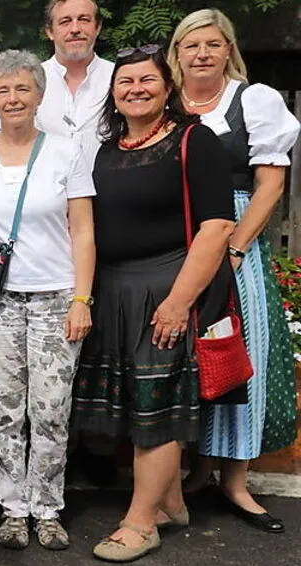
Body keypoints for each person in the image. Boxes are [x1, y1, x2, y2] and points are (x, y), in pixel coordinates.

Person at [71, 45, 237, 563]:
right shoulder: (104, 150)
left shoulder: (195, 140)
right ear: (113, 94)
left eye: (147, 80)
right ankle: (169, 502)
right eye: (125, 82)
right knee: (136, 402)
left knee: (157, 405)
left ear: (168, 88)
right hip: (115, 288)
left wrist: (177, 302)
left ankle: (141, 524)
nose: (136, 89)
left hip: (169, 285)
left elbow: (216, 228)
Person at [0, 50, 96, 550]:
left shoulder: (66, 152)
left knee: (52, 409)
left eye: (22, 89)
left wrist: (82, 297)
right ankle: (13, 507)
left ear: (40, 95)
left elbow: (82, 230)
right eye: (3, 90)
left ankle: (48, 507)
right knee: (5, 410)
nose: (13, 98)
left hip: (56, 297)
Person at [170, 9, 299, 533]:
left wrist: (237, 248)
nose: (201, 53)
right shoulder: (168, 103)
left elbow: (271, 185)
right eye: (190, 45)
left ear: (229, 50)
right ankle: (198, 469)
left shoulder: (255, 100)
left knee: (239, 349)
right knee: (190, 353)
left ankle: (237, 481)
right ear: (177, 53)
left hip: (233, 231)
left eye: (212, 44)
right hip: (181, 233)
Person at [35, 0, 114, 166]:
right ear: (50, 31)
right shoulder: (32, 81)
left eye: (84, 20)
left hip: (109, 188)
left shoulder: (117, 78)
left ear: (97, 27)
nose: (75, 29)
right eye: (65, 22)